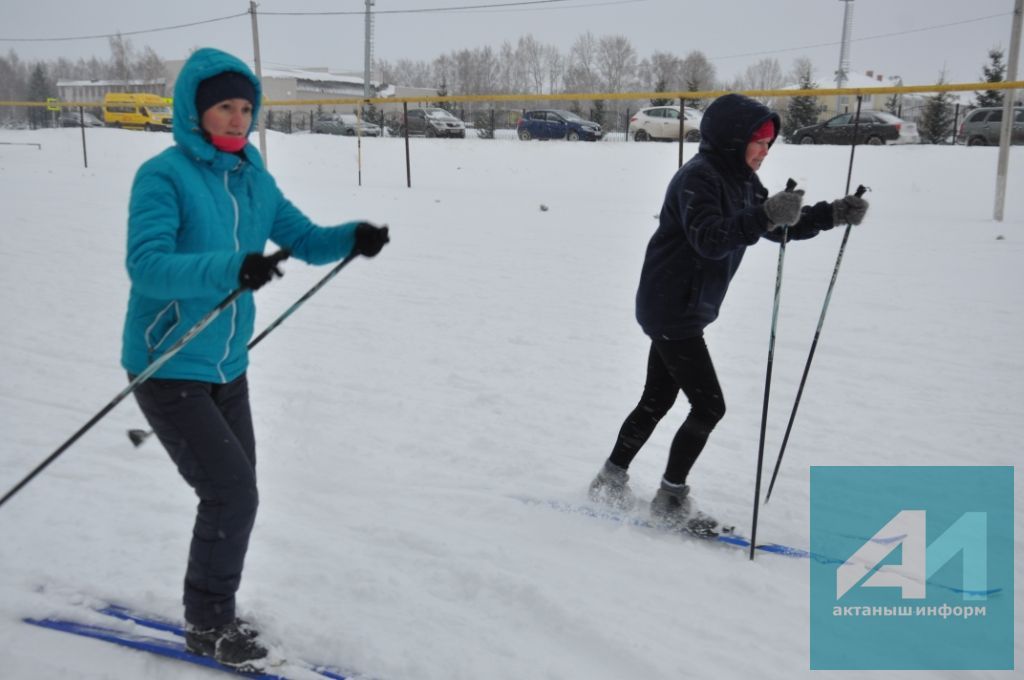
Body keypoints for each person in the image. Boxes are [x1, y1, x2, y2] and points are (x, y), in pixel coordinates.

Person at [121, 47, 390, 670]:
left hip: (227, 366)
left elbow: (305, 239)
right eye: (224, 106)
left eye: (246, 107)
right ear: (195, 110)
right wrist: (231, 267)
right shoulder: (163, 176)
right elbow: (148, 266)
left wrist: (354, 236)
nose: (238, 119)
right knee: (231, 494)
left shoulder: (253, 177)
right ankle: (209, 624)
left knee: (237, 493)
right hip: (169, 362)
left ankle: (215, 608)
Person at [588, 93, 868, 535]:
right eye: (758, 142)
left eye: (770, 144)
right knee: (709, 405)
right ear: (732, 139)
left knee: (657, 399)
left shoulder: (741, 179)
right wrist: (762, 215)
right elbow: (710, 238)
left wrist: (830, 215)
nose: (764, 151)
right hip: (671, 306)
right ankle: (670, 498)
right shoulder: (698, 177)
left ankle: (609, 478)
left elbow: (776, 228)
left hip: (684, 306)